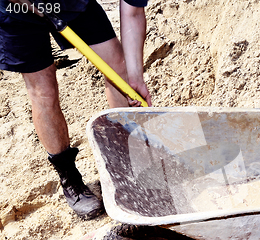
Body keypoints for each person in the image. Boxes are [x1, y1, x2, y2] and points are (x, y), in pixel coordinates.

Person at [0, 0, 152, 219]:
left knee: (118, 67)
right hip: (17, 12)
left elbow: (134, 13)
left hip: (73, 3)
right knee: (44, 91)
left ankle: (124, 163)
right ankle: (69, 177)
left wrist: (135, 77)